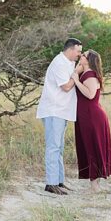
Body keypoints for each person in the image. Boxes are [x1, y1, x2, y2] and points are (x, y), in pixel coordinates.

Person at [36, 37, 83, 196]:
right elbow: (66, 87)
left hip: (62, 111)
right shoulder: (59, 63)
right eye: (78, 51)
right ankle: (51, 183)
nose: (79, 55)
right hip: (53, 110)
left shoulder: (69, 63)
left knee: (59, 148)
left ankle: (59, 181)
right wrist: (77, 72)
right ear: (70, 49)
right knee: (53, 147)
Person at [72, 49, 111, 191]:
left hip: (92, 116)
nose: (81, 56)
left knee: (92, 147)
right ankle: (94, 184)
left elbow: (90, 95)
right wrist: (77, 73)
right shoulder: (85, 73)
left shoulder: (90, 75)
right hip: (86, 115)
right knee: (88, 147)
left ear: (89, 60)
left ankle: (95, 186)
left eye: (84, 55)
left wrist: (76, 80)